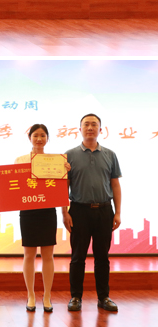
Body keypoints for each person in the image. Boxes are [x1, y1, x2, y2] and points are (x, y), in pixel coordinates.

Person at [0, 124, 70, 312]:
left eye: (43, 135)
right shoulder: (20, 160)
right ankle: (31, 295)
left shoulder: (56, 161)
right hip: (28, 211)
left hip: (47, 211)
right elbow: (12, 183)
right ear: (29, 138)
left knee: (48, 255)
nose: (39, 139)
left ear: (47, 138)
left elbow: (61, 189)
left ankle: (47, 296)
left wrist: (66, 171)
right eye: (35, 135)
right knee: (29, 255)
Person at [63, 113, 122, 313]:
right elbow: (63, 186)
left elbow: (115, 185)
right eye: (86, 124)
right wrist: (64, 213)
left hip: (104, 211)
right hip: (78, 211)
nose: (90, 128)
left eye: (94, 124)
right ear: (79, 129)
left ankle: (103, 297)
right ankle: (75, 297)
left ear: (100, 129)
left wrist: (118, 212)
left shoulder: (110, 154)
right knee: (77, 257)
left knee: (102, 257)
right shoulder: (69, 155)